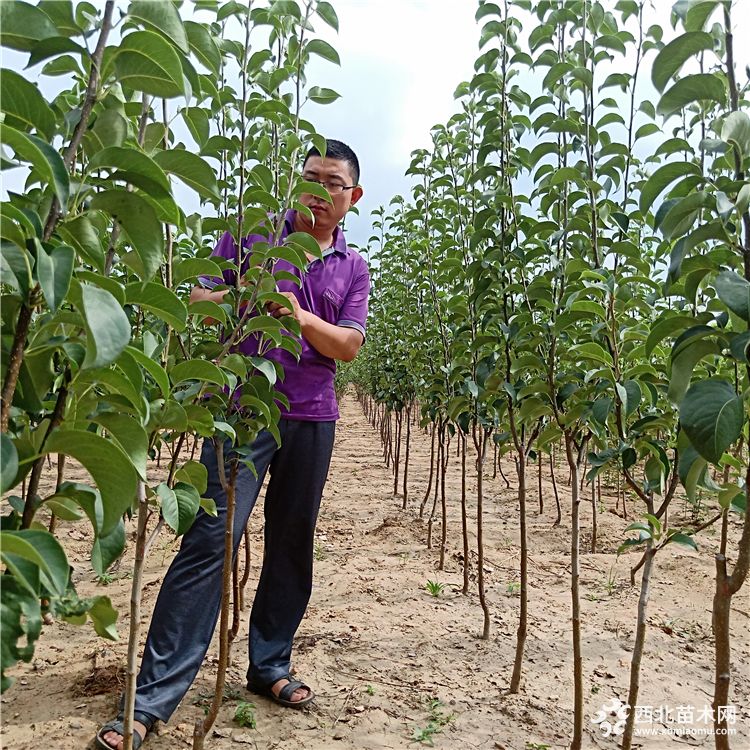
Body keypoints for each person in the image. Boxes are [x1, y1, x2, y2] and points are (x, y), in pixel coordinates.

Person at [97, 139, 369, 750]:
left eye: (333, 184)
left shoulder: (353, 266)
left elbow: (347, 346)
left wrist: (297, 316)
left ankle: (268, 665)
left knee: (292, 543)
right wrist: (249, 300)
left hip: (312, 418)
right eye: (309, 178)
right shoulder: (253, 237)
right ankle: (149, 701)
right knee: (210, 540)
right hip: (242, 411)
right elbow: (196, 299)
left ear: (352, 197)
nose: (319, 193)